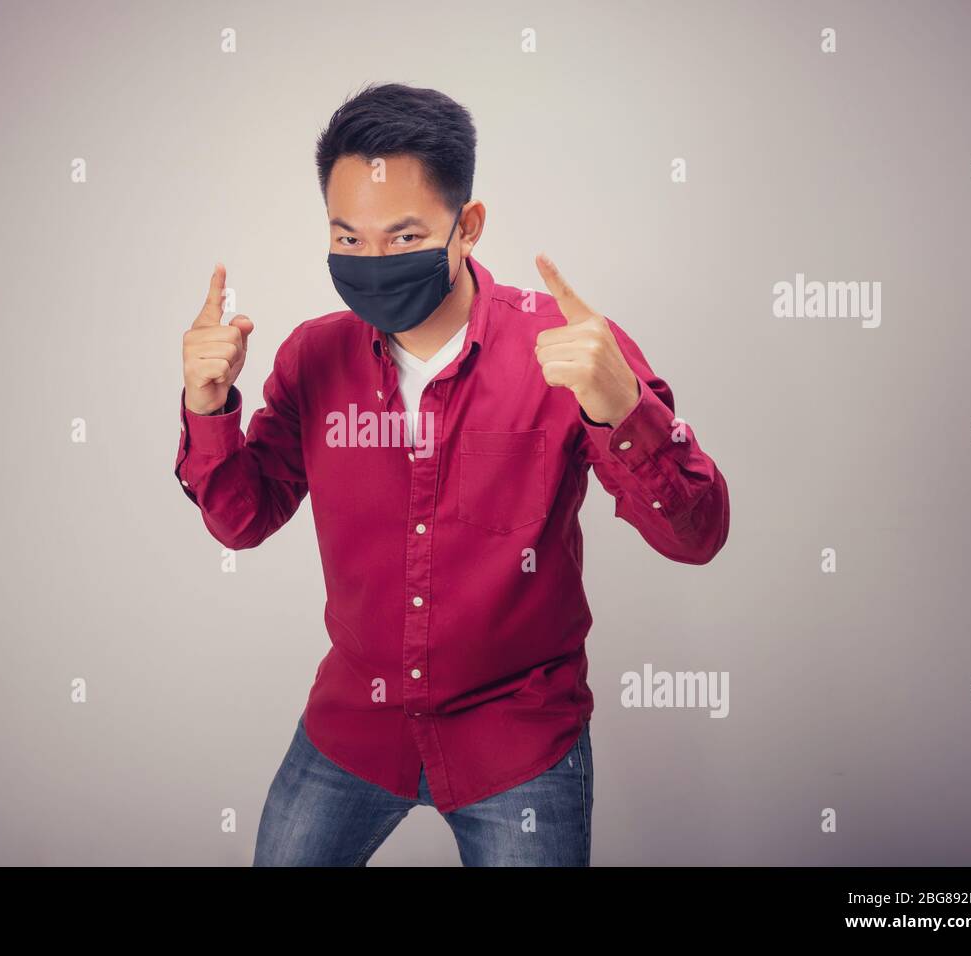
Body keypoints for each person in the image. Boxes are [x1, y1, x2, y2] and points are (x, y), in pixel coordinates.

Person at [175, 83, 730, 866]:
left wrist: (621, 409)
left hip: (519, 739)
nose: (371, 264)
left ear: (466, 227)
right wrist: (208, 404)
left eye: (402, 238)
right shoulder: (313, 356)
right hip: (355, 728)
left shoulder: (569, 347)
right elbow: (241, 518)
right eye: (349, 238)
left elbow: (699, 534)